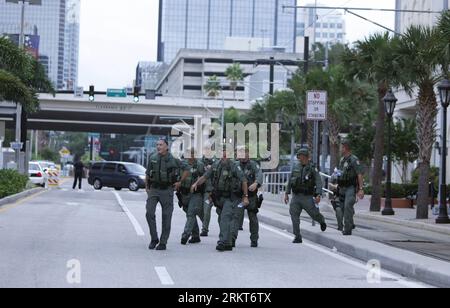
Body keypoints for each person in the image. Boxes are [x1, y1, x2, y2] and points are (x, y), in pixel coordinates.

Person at [191, 148, 249, 252]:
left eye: (226, 156)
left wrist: (245, 196)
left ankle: (222, 241)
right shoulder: (216, 165)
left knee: (224, 218)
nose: (224, 158)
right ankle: (228, 242)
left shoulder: (235, 167)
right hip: (218, 197)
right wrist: (196, 183)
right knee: (221, 219)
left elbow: (244, 181)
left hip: (231, 197)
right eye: (222, 155)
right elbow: (205, 177)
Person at [145, 138, 188, 251]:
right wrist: (146, 187)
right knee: (149, 213)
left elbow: (186, 168)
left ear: (166, 147)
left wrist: (180, 182)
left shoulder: (173, 158)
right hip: (154, 188)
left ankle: (163, 242)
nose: (158, 146)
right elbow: (147, 174)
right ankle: (154, 238)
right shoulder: (153, 157)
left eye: (161, 144)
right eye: (157, 144)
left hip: (167, 190)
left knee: (166, 217)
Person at [284, 148, 327, 244]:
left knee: (314, 214)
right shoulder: (295, 167)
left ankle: (321, 221)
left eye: (301, 156)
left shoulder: (312, 169)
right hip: (296, 196)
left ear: (306, 157)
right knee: (294, 215)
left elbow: (318, 182)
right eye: (299, 156)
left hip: (307, 197)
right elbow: (290, 181)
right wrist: (286, 193)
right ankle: (297, 236)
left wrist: (318, 194)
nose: (299, 158)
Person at [233, 147, 263, 248]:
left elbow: (259, 175)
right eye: (239, 152)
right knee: (236, 217)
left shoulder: (253, 165)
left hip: (251, 197)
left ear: (247, 153)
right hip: (238, 197)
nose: (241, 154)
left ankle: (254, 239)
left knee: (253, 218)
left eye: (243, 152)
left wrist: (256, 183)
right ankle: (232, 239)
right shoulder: (235, 165)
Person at [335, 139, 365, 236]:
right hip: (342, 187)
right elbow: (340, 173)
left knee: (348, 205)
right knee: (343, 208)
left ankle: (347, 229)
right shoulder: (342, 160)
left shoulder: (354, 160)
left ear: (345, 147)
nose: (340, 149)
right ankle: (350, 223)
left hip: (350, 188)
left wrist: (361, 189)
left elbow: (359, 175)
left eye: (341, 147)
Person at [180, 149, 206, 245]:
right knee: (190, 214)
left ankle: (185, 235)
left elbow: (204, 178)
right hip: (184, 193)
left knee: (191, 213)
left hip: (196, 193)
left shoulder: (199, 165)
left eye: (192, 154)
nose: (190, 156)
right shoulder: (182, 164)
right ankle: (195, 235)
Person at [200, 147, 216, 237]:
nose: (207, 151)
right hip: (201, 191)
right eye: (205, 149)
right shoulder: (200, 163)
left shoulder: (217, 163)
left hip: (212, 191)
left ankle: (205, 229)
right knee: (199, 210)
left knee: (207, 211)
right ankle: (204, 226)